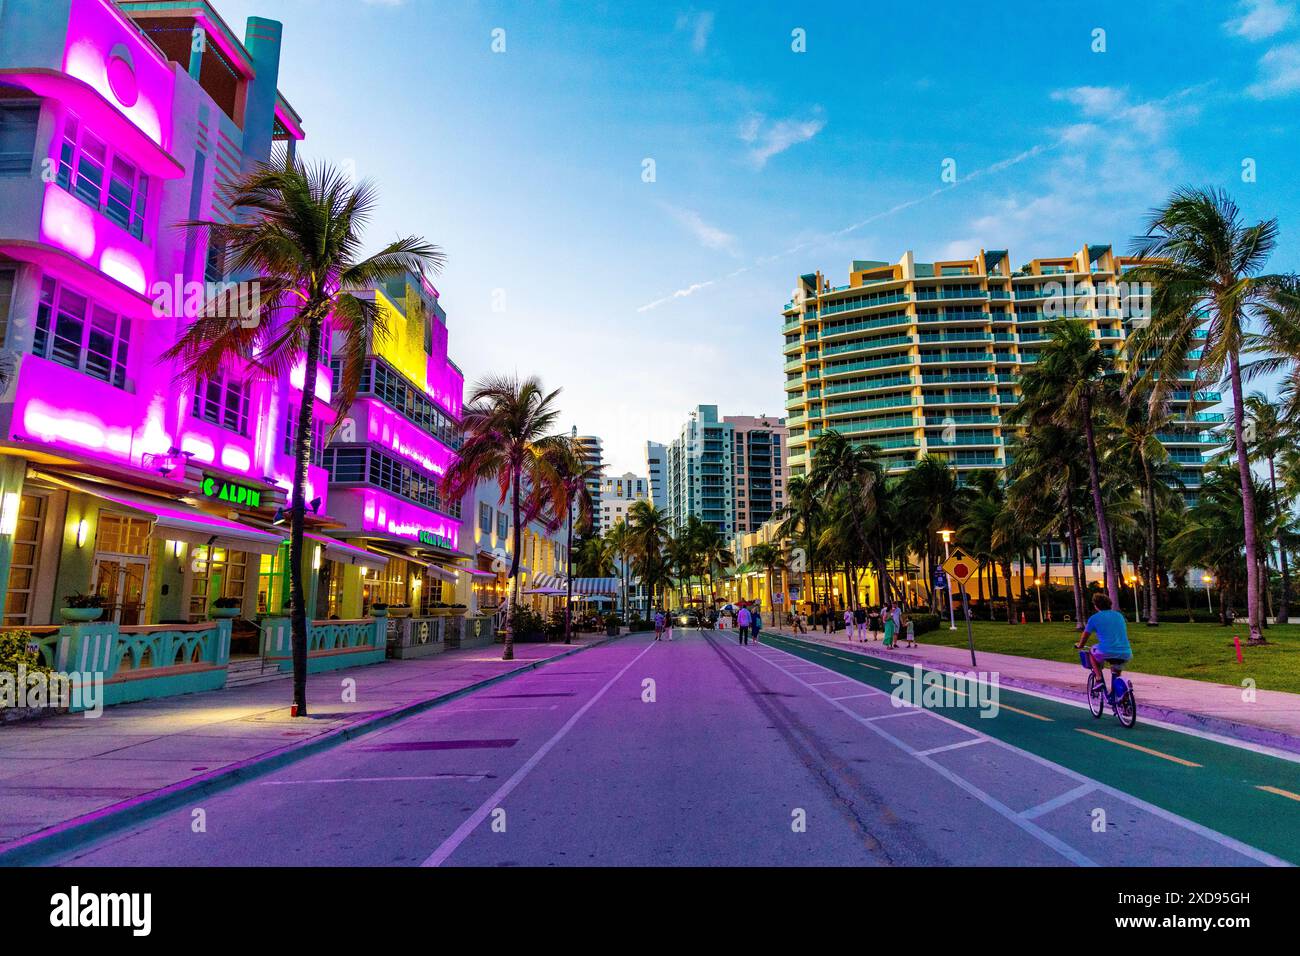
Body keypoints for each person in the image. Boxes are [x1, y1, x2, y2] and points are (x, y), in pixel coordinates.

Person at [1074, 593, 1131, 693]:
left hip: (1106, 651)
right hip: (1125, 652)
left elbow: (1085, 636)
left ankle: (1099, 678)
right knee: (1116, 674)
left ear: (1096, 606)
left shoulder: (1094, 618)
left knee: (1092, 651)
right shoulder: (1119, 616)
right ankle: (1120, 697)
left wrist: (1080, 645)